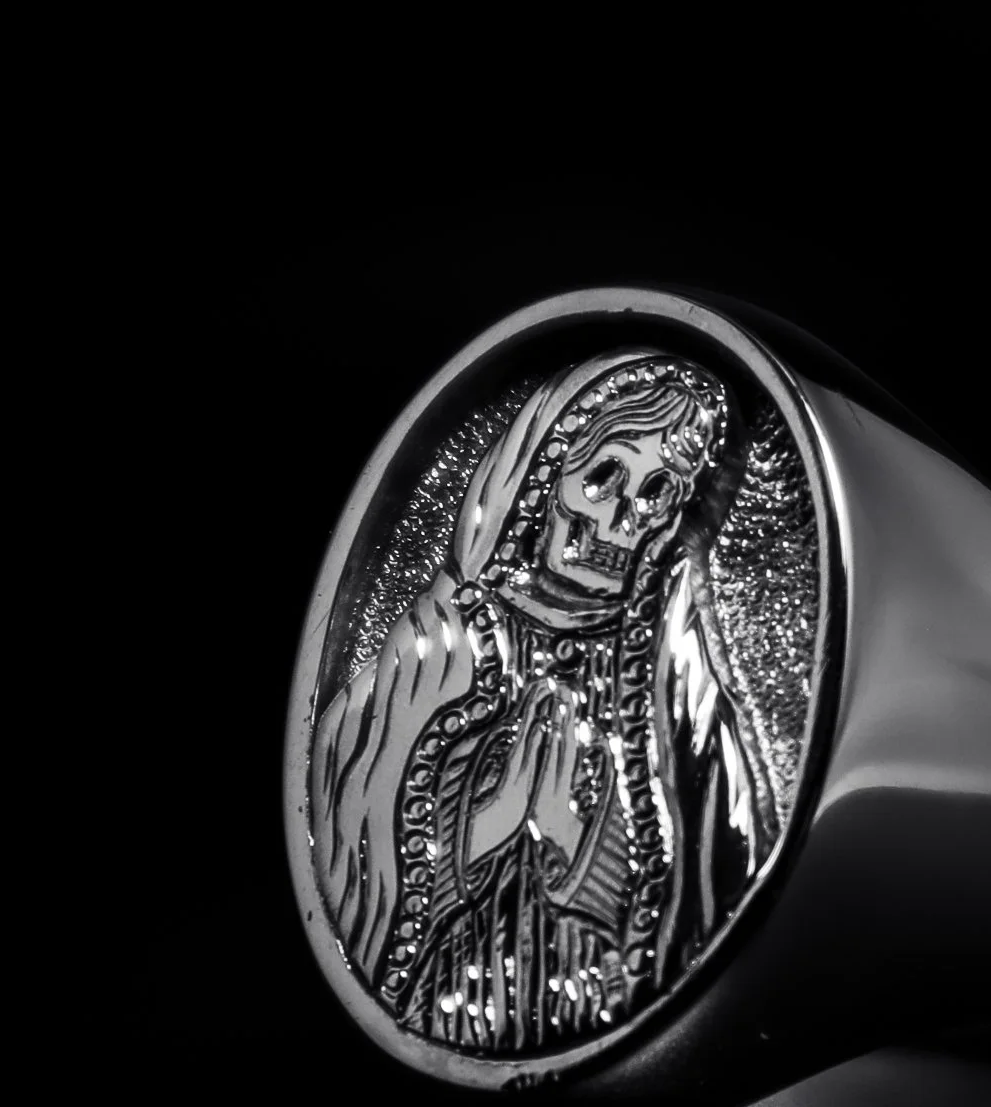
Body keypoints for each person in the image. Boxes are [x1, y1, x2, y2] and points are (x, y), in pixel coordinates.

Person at [310, 352, 778, 1053]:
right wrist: (487, 827)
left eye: (657, 493)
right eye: (603, 477)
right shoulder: (428, 660)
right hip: (444, 1011)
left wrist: (574, 845)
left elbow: (705, 886)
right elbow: (358, 858)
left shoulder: (677, 690)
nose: (621, 517)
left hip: (618, 1023)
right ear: (539, 480)